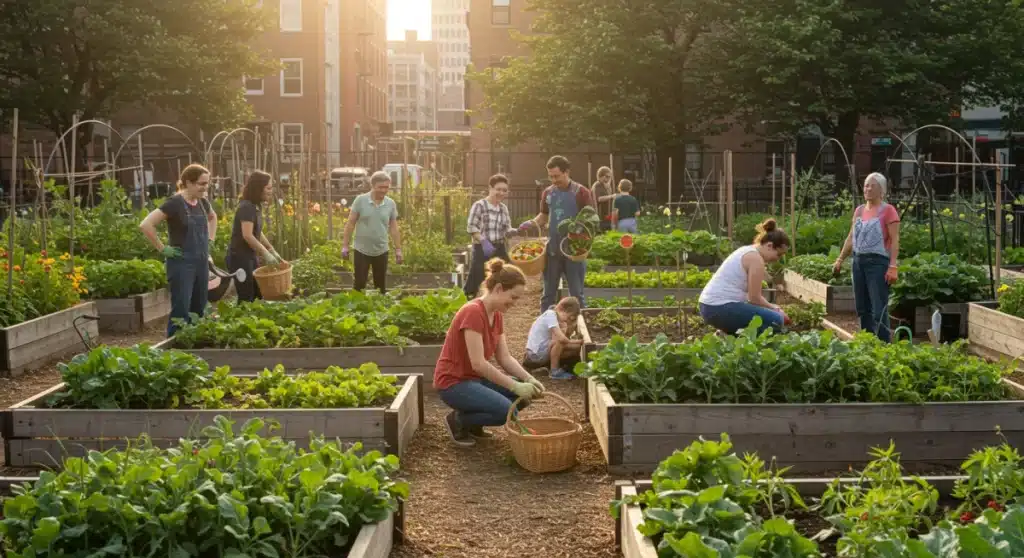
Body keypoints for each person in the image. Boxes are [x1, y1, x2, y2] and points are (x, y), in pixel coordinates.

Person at [434, 259, 547, 447]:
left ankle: (474, 424)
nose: (515, 303)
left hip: (474, 380)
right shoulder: (473, 312)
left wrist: (528, 380)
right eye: (513, 297)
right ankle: (459, 421)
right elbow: (478, 363)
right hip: (454, 383)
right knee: (506, 411)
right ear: (499, 289)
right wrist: (513, 385)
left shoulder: (497, 314)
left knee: (524, 397)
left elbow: (504, 357)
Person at [139, 164, 218, 336]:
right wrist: (163, 248)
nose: (205, 188)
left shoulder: (203, 203)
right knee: (181, 309)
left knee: (199, 308)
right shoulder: (175, 203)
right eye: (201, 184)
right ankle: (174, 349)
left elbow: (213, 218)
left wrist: (210, 240)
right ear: (188, 183)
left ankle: (194, 345)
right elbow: (146, 224)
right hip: (182, 263)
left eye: (207, 184)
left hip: (201, 262)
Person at [520, 155, 596, 313]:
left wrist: (580, 231)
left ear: (566, 172)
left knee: (576, 295)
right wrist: (532, 223)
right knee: (548, 294)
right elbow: (544, 215)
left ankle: (580, 330)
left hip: (574, 250)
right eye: (550, 176)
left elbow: (591, 218)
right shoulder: (548, 193)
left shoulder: (581, 192)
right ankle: (545, 330)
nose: (553, 180)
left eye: (556, 176)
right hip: (553, 249)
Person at [833, 172, 900, 342]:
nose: (867, 189)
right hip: (858, 261)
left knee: (879, 308)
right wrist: (840, 259)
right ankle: (867, 342)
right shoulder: (860, 210)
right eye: (866, 185)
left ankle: (884, 344)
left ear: (882, 190)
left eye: (872, 186)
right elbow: (851, 237)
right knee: (862, 308)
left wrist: (893, 266)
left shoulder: (888, 211)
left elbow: (894, 240)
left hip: (877, 263)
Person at [698, 218, 789, 335]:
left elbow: (751, 301)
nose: (778, 259)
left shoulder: (747, 251)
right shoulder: (756, 259)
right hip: (719, 308)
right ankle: (738, 338)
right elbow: (754, 298)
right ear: (769, 246)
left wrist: (770, 308)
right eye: (779, 254)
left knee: (764, 316)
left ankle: (726, 335)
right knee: (776, 320)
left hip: (709, 306)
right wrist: (776, 309)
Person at [227, 170, 285, 303]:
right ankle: (241, 321)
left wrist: (271, 249)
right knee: (247, 297)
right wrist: (265, 253)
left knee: (258, 295)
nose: (271, 191)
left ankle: (252, 321)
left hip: (249, 256)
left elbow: (257, 232)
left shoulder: (255, 206)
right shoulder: (246, 207)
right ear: (259, 188)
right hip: (239, 258)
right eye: (268, 188)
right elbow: (247, 235)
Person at [341, 171, 403, 293]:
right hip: (361, 249)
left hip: (381, 249)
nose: (384, 190)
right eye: (381, 187)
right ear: (373, 186)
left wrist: (398, 249)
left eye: (386, 187)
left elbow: (394, 227)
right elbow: (350, 224)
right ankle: (357, 310)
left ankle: (379, 310)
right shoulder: (361, 200)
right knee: (359, 284)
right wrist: (345, 246)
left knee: (380, 287)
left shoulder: (390, 204)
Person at [464, 174, 516, 297]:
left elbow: (506, 229)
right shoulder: (480, 205)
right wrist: (483, 240)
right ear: (490, 188)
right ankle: (465, 302)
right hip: (483, 247)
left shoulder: (503, 208)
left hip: (499, 247)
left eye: (504, 190)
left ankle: (495, 304)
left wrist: (516, 230)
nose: (501, 193)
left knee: (503, 277)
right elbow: (471, 227)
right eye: (498, 189)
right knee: (477, 276)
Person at [524, 296, 583, 380]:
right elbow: (561, 340)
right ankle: (554, 372)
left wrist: (578, 346)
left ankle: (548, 367)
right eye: (569, 317)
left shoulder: (554, 316)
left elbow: (560, 346)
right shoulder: (550, 315)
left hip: (538, 353)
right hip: (535, 355)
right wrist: (578, 342)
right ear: (562, 309)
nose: (568, 320)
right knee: (560, 341)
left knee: (573, 350)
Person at [591, 166, 615, 231]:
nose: (608, 179)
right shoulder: (597, 185)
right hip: (599, 216)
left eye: (610, 177)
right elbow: (599, 199)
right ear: (601, 176)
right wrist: (611, 196)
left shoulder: (606, 186)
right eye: (607, 177)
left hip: (606, 216)